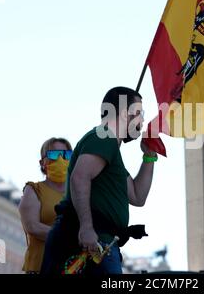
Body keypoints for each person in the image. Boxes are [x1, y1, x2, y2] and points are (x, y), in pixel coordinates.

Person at [41, 87, 157, 275]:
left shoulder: (110, 150)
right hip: (88, 245)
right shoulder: (104, 137)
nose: (142, 120)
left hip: (101, 245)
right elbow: (79, 178)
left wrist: (149, 157)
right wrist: (87, 228)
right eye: (138, 113)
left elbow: (137, 196)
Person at [18, 137, 73, 274]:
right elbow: (32, 227)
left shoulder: (78, 194)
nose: (61, 160)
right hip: (40, 267)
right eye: (54, 155)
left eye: (66, 155)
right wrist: (70, 237)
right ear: (43, 163)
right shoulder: (33, 190)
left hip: (73, 268)